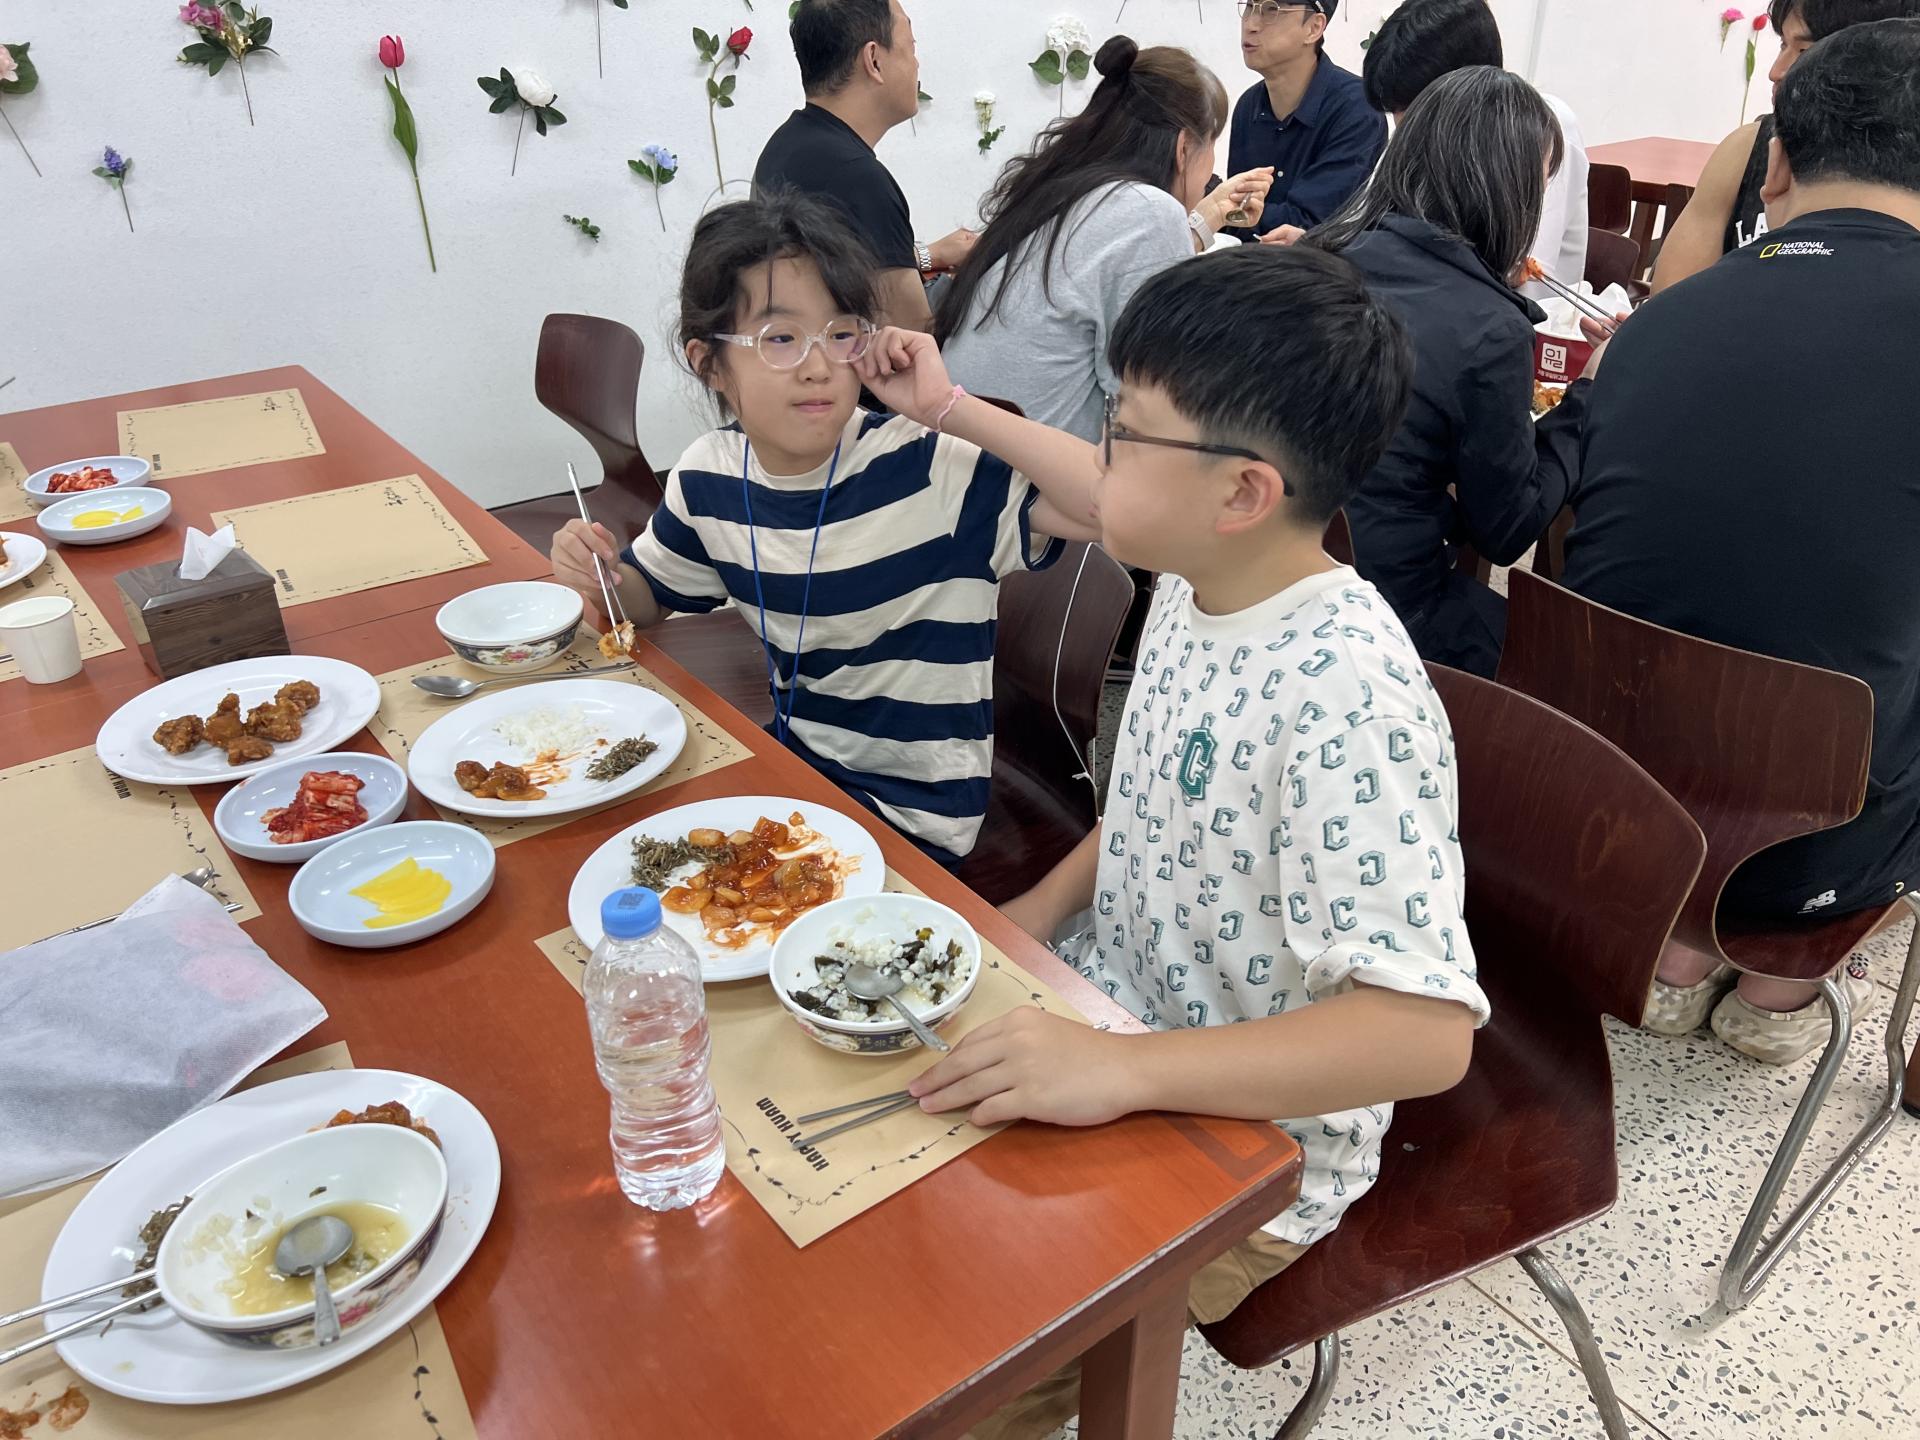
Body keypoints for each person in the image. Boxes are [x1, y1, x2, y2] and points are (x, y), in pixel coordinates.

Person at [851, 244, 1480, 1440]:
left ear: (1243, 490)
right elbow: (1147, 809)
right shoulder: (1200, 578)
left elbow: (1425, 1032)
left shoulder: (1346, 697)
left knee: (926, 1385)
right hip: (1104, 1015)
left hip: (1243, 1147)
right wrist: (1023, 924)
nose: (1096, 453)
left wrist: (1123, 1074)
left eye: (1120, 429)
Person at [1563, 17, 1920, 1063]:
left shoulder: (1656, 326)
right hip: (1816, 849)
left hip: (1608, 819)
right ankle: (1773, 984)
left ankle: (1676, 959)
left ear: (1779, 167)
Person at [549, 192, 1100, 866]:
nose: (817, 365)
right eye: (780, 338)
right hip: (799, 786)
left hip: (914, 823)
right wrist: (602, 578)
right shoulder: (711, 475)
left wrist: (947, 407)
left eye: (840, 334)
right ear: (710, 364)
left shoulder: (929, 466)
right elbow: (647, 600)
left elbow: (1118, 506)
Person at [1307, 67, 1591, 677]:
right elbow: (1508, 528)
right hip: (1380, 616)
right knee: (1566, 667)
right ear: (1506, 189)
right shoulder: (1488, 327)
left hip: (1277, 577)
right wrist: (1587, 399)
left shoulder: (1322, 257)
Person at [936, 38, 1272, 440]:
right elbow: (1146, 403)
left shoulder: (1059, 188)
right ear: (1184, 147)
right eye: (1212, 143)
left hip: (963, 459)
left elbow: (1110, 272)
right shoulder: (1149, 211)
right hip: (1031, 488)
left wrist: (1210, 215)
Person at [1652, 0, 1920, 292]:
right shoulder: (1745, 150)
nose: (1776, 71)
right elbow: (1671, 295)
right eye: (1782, 45)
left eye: (1804, 51)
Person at [754, 0, 976, 330]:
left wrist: (930, 254)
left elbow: (836, 278)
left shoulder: (784, 145)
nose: (916, 64)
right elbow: (914, 340)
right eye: (910, 47)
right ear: (873, 60)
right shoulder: (859, 179)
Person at [1359, 0, 1589, 302]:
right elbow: (1369, 215)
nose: (1402, 123)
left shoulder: (1539, 128)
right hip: (1416, 301)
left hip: (1511, 320)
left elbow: (1514, 272)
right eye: (1396, 110)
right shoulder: (1418, 129)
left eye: (1411, 106)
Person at [1225, 0, 1385, 239]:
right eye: (1249, 6)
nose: (1251, 24)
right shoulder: (1248, 105)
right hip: (1248, 268)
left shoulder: (1357, 108)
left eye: (1271, 9)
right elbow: (1235, 211)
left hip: (1318, 272)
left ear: (1313, 28)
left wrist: (1230, 211)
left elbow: (1314, 222)